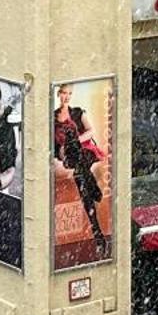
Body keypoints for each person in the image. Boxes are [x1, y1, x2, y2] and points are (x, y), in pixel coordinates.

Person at [53, 83, 109, 254]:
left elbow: (90, 131)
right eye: (64, 93)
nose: (66, 97)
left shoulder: (77, 112)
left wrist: (76, 140)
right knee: (81, 173)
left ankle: (98, 234)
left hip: (84, 152)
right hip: (69, 157)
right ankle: (93, 190)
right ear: (59, 94)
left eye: (69, 94)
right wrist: (62, 150)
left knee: (80, 171)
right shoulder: (52, 118)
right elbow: (54, 145)